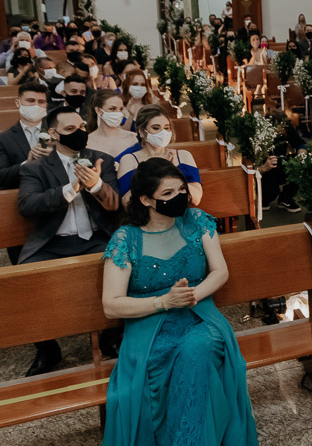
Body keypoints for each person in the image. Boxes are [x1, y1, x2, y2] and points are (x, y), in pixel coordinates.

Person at [101, 158, 258, 445]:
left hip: (200, 315)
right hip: (149, 326)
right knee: (164, 365)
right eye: (168, 194)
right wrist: (165, 302)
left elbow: (220, 271)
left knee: (196, 350)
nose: (179, 198)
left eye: (181, 190)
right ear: (147, 199)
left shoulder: (197, 221)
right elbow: (111, 304)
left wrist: (194, 295)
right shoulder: (126, 239)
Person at [17, 106, 120, 375]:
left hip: (94, 239)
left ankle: (111, 335)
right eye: (70, 130)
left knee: (120, 267)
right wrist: (70, 188)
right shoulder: (36, 168)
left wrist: (96, 186)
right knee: (24, 281)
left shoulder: (102, 160)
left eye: (82, 127)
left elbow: (114, 206)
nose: (79, 133)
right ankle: (47, 348)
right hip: (52, 243)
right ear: (53, 133)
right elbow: (28, 205)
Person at [117, 105, 202, 204]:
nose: (163, 132)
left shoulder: (183, 156)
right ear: (141, 131)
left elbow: (196, 199)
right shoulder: (129, 160)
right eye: (156, 128)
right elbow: (127, 204)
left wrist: (174, 173)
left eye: (166, 128)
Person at [0, 83, 51, 193]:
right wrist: (26, 163)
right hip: (23, 194)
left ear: (46, 105)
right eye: (30, 100)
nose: (36, 106)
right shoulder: (3, 139)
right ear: (18, 103)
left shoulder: (57, 132)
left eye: (41, 102)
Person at [86, 90, 138, 159]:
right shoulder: (87, 142)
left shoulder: (134, 138)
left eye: (121, 109)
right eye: (112, 109)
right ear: (98, 110)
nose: (118, 113)